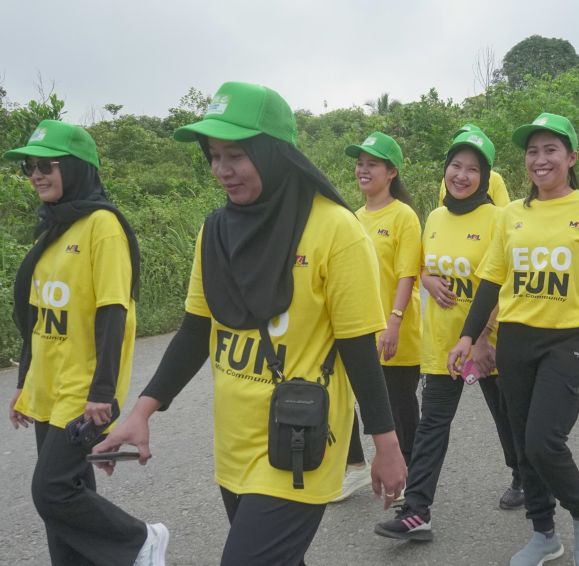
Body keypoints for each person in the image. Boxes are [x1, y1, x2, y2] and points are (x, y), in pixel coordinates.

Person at [92, 82, 407, 565]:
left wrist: (384, 444)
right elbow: (197, 330)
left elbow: (357, 349)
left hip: (299, 439)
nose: (222, 170)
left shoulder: (335, 230)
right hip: (235, 443)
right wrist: (142, 411)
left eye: (236, 155)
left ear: (273, 153)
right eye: (214, 155)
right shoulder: (214, 230)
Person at [449, 113, 579, 566]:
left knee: (543, 441)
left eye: (551, 149)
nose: (540, 159)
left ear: (571, 158)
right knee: (520, 439)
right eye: (532, 151)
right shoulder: (511, 215)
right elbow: (490, 281)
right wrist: (469, 336)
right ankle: (544, 533)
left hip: (565, 339)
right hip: (515, 338)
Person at [4, 120, 165, 565]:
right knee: (68, 501)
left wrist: (103, 393)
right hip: (48, 386)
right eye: (30, 167)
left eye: (47, 165)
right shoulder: (54, 228)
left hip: (82, 389)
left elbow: (113, 311)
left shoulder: (102, 226)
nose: (36, 174)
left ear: (76, 167)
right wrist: (25, 382)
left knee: (53, 492)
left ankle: (140, 542)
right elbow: (36, 318)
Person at [374, 129, 523, 542]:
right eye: (455, 166)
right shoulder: (435, 217)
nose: (461, 175)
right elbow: (422, 264)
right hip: (442, 342)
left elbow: (504, 280)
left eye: (472, 169)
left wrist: (484, 336)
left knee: (506, 415)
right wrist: (428, 279)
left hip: (485, 342)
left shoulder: (499, 219)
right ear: (445, 172)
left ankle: (522, 475)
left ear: (486, 176)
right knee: (432, 425)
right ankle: (417, 510)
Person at [333, 132, 421, 502]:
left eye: (372, 164)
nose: (363, 170)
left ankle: (413, 477)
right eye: (360, 163)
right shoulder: (352, 219)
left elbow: (407, 274)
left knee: (398, 407)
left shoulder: (403, 216)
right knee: (347, 401)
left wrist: (394, 322)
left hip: (395, 329)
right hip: (359, 330)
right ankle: (354, 468)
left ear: (391, 172)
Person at [437, 123, 510, 207]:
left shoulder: (495, 178)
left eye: (472, 169)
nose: (461, 177)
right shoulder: (447, 179)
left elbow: (504, 210)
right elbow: (442, 206)